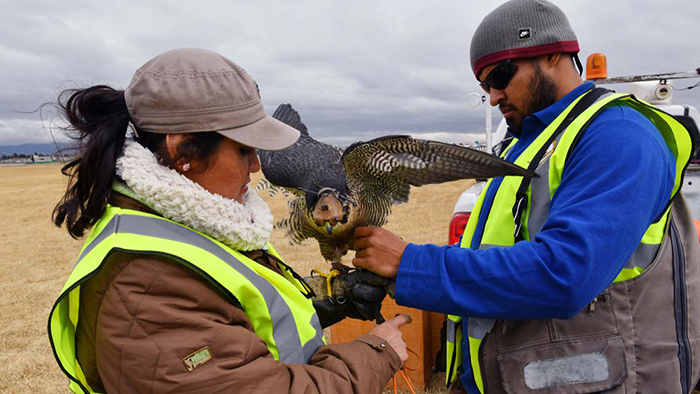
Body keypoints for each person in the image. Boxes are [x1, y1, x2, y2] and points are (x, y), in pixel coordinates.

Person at [352, 1, 700, 393]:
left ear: (553, 52)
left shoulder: (619, 136)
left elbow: (564, 274)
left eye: (501, 75)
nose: (495, 96)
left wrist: (411, 264)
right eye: (484, 86)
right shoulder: (525, 146)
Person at [47, 48, 411, 394]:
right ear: (182, 150)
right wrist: (375, 352)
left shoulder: (197, 222)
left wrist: (338, 301)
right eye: (242, 149)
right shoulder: (144, 283)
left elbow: (241, 330)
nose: (256, 165)